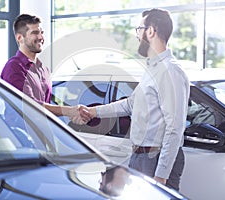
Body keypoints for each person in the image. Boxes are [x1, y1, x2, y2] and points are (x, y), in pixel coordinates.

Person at [76, 8, 190, 191]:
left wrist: (161, 176)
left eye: (139, 29)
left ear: (151, 31)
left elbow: (175, 127)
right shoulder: (153, 69)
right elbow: (130, 104)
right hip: (140, 157)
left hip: (154, 159)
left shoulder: (170, 72)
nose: (137, 35)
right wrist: (93, 112)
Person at [1, 14, 89, 122]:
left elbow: (46, 107)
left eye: (41, 32)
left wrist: (73, 114)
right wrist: (68, 111)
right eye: (34, 33)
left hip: (42, 134)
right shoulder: (14, 67)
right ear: (20, 38)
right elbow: (29, 106)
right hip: (20, 136)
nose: (40, 37)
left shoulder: (43, 69)